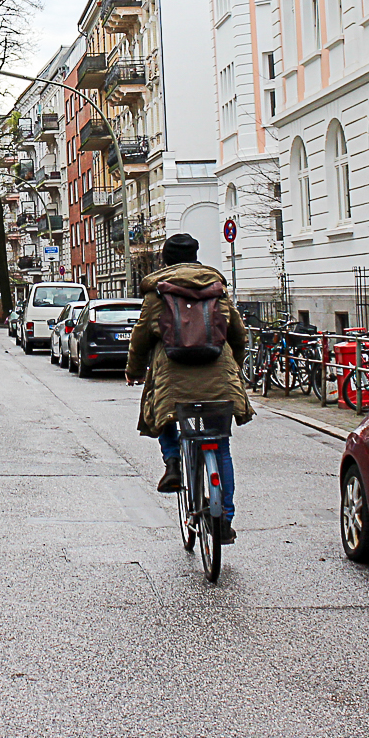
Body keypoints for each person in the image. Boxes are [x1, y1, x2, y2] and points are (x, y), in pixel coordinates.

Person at [125, 233, 252, 544]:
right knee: (220, 446)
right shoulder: (216, 288)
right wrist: (234, 363)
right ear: (196, 258)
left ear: (165, 260)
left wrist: (134, 371)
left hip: (173, 377)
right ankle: (225, 519)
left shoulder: (157, 293)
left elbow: (141, 338)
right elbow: (238, 333)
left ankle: (172, 462)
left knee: (163, 411)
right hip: (218, 379)